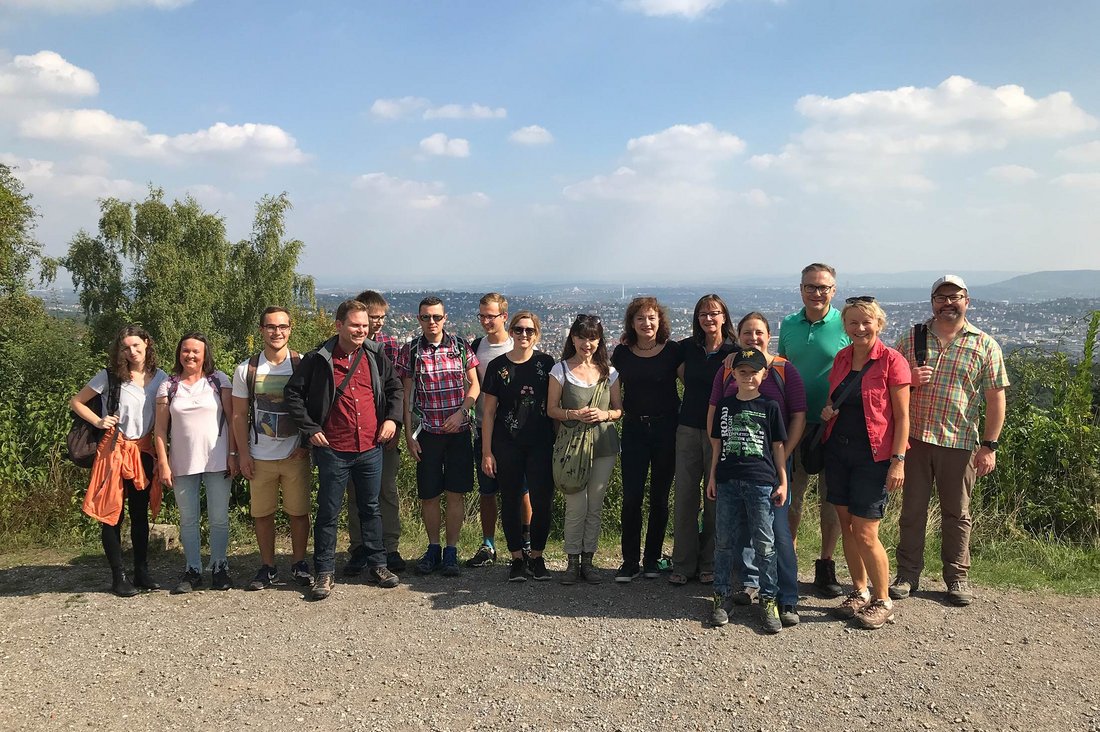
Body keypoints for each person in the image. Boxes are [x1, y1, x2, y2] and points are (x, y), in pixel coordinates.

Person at [891, 275, 1009, 607]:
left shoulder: (984, 344)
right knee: (912, 511)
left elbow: (995, 399)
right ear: (932, 302)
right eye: (940, 297)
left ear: (967, 301)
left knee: (957, 513)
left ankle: (956, 578)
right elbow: (890, 383)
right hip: (914, 439)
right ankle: (907, 575)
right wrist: (910, 380)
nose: (947, 303)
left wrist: (990, 445)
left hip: (960, 442)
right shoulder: (912, 339)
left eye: (954, 297)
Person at [283, 299, 403, 600]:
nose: (361, 329)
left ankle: (378, 564)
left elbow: (395, 389)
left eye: (364, 325)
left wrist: (391, 419)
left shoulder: (375, 355)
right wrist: (310, 429)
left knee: (371, 507)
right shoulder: (318, 358)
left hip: (370, 446)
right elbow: (293, 395)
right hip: (334, 447)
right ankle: (324, 571)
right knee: (329, 511)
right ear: (339, 326)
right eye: (355, 325)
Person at [710, 312, 807, 626]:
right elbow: (714, 419)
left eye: (759, 332)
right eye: (747, 333)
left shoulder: (782, 370)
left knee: (777, 534)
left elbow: (798, 417)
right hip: (732, 468)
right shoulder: (727, 371)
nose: (753, 337)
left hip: (770, 467)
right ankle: (749, 587)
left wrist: (782, 464)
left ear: (769, 334)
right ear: (738, 336)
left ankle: (786, 599)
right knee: (736, 534)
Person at [820, 298, 910, 629]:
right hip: (839, 452)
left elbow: (902, 418)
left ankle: (882, 598)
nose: (859, 328)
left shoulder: (892, 362)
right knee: (847, 527)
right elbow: (835, 399)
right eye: (853, 323)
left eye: (866, 322)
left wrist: (898, 461)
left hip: (874, 457)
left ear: (879, 324)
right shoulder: (842, 358)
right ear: (844, 326)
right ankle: (858, 590)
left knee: (867, 531)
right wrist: (827, 411)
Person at [72, 325, 168, 597]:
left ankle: (141, 571)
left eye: (137, 345)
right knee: (111, 514)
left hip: (143, 450)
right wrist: (99, 420)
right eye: (126, 347)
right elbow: (77, 402)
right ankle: (118, 576)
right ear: (120, 350)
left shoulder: (160, 378)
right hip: (113, 449)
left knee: (139, 514)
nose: (132, 352)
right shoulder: (110, 377)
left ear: (147, 344)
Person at [778, 263, 850, 597]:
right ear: (801, 288)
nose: (817, 293)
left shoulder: (846, 322)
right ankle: (788, 564)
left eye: (824, 287)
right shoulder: (789, 324)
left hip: (835, 424)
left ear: (834, 290)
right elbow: (780, 369)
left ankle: (826, 565)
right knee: (792, 496)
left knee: (831, 500)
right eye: (811, 286)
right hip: (796, 422)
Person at [395, 296, 479, 576]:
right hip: (427, 433)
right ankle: (433, 547)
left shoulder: (460, 346)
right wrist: (408, 436)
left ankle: (451, 550)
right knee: (429, 495)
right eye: (425, 317)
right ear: (418, 319)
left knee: (456, 493)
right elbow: (406, 398)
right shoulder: (410, 351)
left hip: (458, 432)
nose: (431, 322)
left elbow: (475, 386)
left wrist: (461, 413)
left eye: (436, 317)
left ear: (445, 319)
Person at [230, 306, 313, 591]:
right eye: (271, 327)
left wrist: (305, 444)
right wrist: (242, 453)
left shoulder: (302, 363)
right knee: (262, 514)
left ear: (290, 329)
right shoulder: (246, 369)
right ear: (261, 330)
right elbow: (239, 415)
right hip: (259, 454)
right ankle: (267, 567)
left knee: (299, 512)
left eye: (282, 327)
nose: (277, 332)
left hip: (295, 454)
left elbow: (312, 409)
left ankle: (299, 563)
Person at [706, 346, 788, 633]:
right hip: (728, 479)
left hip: (761, 480)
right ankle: (721, 595)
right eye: (742, 372)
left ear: (763, 375)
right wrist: (713, 476)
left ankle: (768, 599)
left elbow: (778, 446)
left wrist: (783, 480)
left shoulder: (770, 407)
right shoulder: (726, 405)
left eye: (754, 372)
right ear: (734, 375)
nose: (748, 377)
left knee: (765, 544)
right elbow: (717, 443)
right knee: (724, 542)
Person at [154, 332, 235, 594]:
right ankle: (193, 569)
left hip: (217, 460)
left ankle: (220, 566)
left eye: (196, 351)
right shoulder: (168, 385)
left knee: (219, 518)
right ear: (179, 353)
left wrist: (233, 454)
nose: (190, 355)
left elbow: (234, 419)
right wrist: (163, 463)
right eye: (185, 350)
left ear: (204, 354)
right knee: (188, 519)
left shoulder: (218, 380)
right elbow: (159, 430)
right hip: (182, 463)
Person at [480, 312, 557, 581]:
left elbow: (556, 404)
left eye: (529, 331)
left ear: (537, 334)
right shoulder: (497, 366)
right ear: (511, 332)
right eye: (519, 330)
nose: (524, 335)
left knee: (542, 501)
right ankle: (515, 557)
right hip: (506, 443)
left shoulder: (547, 363)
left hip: (541, 443)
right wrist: (486, 452)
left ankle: (536, 556)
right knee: (510, 500)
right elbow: (488, 412)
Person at [547, 314, 622, 585]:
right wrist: (575, 413)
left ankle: (588, 559)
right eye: (581, 337)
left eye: (592, 338)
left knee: (595, 505)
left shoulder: (609, 373)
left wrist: (604, 415)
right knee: (576, 504)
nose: (586, 343)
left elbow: (618, 410)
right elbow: (551, 409)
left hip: (603, 444)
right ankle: (572, 560)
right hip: (572, 447)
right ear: (573, 338)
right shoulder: (560, 370)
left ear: (599, 340)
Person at [611, 296, 682, 582]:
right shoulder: (621, 353)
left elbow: (696, 384)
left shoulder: (673, 352)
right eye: (640, 318)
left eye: (651, 317)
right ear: (632, 323)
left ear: (660, 321)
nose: (646, 323)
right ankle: (629, 561)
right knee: (631, 498)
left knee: (660, 498)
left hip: (667, 429)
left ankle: (651, 558)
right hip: (634, 430)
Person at [669, 294, 738, 586]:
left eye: (714, 313)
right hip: (687, 427)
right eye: (703, 314)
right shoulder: (687, 348)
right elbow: (657, 351)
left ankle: (710, 561)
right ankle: (683, 563)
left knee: (715, 499)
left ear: (724, 317)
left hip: (721, 432)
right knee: (685, 496)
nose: (708, 319)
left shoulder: (734, 352)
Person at [467, 292, 533, 568]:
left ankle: (526, 542)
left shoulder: (517, 344)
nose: (485, 321)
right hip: (484, 427)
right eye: (481, 315)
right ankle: (488, 544)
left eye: (490, 316)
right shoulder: (474, 347)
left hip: (515, 433)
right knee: (487, 489)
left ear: (504, 316)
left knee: (522, 489)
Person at [344, 289, 406, 574]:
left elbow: (398, 390)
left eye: (382, 318)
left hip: (386, 431)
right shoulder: (343, 348)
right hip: (355, 434)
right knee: (356, 493)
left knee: (386, 491)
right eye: (373, 318)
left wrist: (396, 425)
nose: (378, 323)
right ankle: (359, 547)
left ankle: (389, 546)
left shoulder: (391, 345)